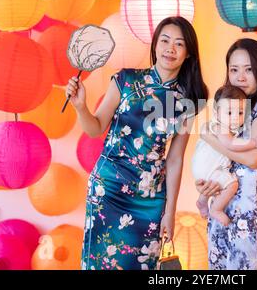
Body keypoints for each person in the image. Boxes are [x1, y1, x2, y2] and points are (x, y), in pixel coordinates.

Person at [66, 16, 208, 270]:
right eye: (164, 41)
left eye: (179, 44)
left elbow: (175, 159)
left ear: (188, 54)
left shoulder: (188, 100)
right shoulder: (126, 80)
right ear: (154, 45)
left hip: (150, 199)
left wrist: (169, 211)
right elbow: (95, 128)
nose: (170, 49)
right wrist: (80, 107)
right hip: (108, 189)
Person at [196, 38, 257, 270]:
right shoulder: (235, 106)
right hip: (222, 208)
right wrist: (208, 185)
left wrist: (210, 138)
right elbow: (222, 159)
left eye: (249, 69)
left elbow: (253, 159)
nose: (240, 77)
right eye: (234, 70)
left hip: (246, 213)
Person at [192, 84, 257, 226]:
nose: (235, 118)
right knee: (232, 185)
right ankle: (216, 209)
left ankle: (202, 201)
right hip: (208, 168)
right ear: (216, 113)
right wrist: (254, 143)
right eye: (229, 113)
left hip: (205, 169)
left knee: (215, 181)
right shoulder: (220, 127)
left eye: (240, 113)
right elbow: (230, 144)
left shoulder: (219, 126)